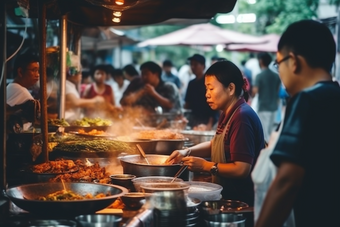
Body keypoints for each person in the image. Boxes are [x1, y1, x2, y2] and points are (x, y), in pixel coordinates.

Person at [254, 19, 340, 227]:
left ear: (293, 61)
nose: (279, 71)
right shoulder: (335, 96)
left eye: (278, 63)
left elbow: (287, 181)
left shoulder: (306, 100)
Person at [166, 60, 265, 208]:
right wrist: (186, 151)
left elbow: (241, 168)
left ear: (230, 88)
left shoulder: (242, 117)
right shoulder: (228, 112)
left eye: (211, 89)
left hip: (241, 203)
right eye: (206, 89)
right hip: (228, 196)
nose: (207, 95)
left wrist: (206, 165)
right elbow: (216, 144)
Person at [6, 53, 41, 131]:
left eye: (38, 71)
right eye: (34, 70)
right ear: (20, 72)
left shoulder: (12, 86)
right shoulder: (21, 91)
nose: (37, 75)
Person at [185, 54, 219, 130]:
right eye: (191, 64)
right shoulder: (191, 83)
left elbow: (214, 106)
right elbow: (187, 103)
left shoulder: (209, 82)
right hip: (194, 120)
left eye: (196, 64)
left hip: (208, 119)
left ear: (203, 66)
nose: (193, 67)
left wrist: (210, 124)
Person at [252, 52, 281, 142]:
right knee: (271, 131)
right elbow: (277, 91)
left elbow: (255, 92)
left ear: (261, 61)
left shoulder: (259, 76)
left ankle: (265, 153)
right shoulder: (276, 76)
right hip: (274, 107)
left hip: (263, 107)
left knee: (264, 134)